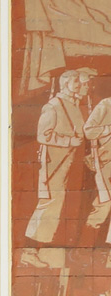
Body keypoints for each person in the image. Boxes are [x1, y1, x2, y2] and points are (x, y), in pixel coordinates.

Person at [22, 67, 95, 269]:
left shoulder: (75, 105)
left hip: (67, 163)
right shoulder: (54, 106)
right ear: (66, 84)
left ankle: (40, 250)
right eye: (78, 82)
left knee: (55, 205)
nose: (82, 86)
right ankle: (28, 251)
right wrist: (69, 141)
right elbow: (43, 136)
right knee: (47, 204)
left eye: (83, 83)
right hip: (54, 163)